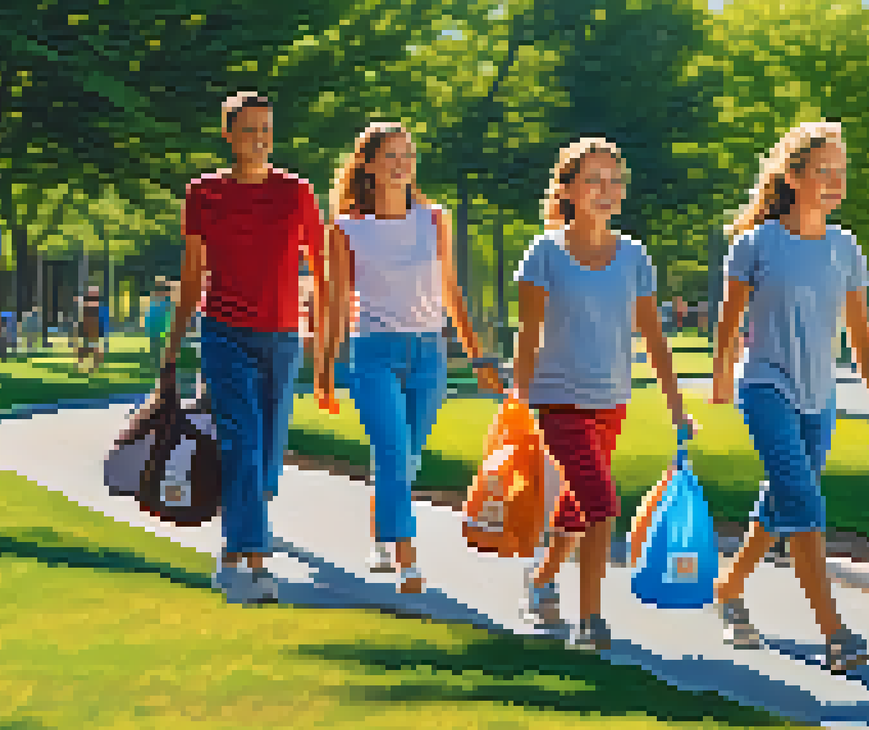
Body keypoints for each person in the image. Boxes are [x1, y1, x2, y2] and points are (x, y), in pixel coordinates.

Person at [708, 120, 869, 674]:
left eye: (841, 171)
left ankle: (729, 587)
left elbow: (864, 341)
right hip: (766, 386)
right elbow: (728, 323)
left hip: (819, 397)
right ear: (793, 177)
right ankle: (835, 632)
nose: (836, 181)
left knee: (781, 502)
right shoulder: (756, 244)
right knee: (802, 501)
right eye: (824, 170)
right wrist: (723, 375)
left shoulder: (845, 250)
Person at [514, 137, 692, 650]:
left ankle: (543, 577)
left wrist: (676, 405)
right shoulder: (545, 253)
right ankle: (588, 620)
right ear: (567, 189)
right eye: (593, 180)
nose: (606, 190)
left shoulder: (633, 255)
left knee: (578, 505)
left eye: (613, 180)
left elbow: (654, 338)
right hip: (558, 398)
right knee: (602, 504)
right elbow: (529, 332)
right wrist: (520, 399)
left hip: (611, 399)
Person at [161, 91, 329, 605]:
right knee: (242, 442)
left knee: (269, 453)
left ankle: (239, 543)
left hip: (282, 337)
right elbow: (193, 272)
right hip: (223, 332)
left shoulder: (296, 192)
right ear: (228, 134)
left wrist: (326, 336)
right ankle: (251, 563)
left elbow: (321, 263)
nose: (258, 139)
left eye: (266, 130)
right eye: (249, 129)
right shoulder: (203, 193)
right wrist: (173, 342)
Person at [324, 122, 495, 594]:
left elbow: (451, 290)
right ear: (370, 166)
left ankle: (383, 530)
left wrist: (477, 357)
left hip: (428, 354)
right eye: (391, 156)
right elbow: (336, 302)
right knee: (394, 451)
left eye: (408, 155)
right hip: (374, 353)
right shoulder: (345, 229)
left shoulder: (433, 218)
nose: (402, 164)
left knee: (407, 457)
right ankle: (407, 558)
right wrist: (324, 368)